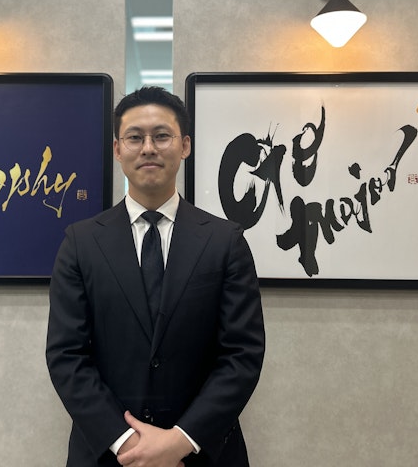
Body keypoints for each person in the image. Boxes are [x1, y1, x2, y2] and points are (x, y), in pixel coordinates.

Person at [46, 86, 265, 467]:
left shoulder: (225, 241)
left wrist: (179, 441)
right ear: (118, 150)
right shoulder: (80, 243)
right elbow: (66, 356)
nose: (148, 148)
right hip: (108, 455)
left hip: (202, 454)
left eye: (162, 136)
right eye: (135, 137)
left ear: (185, 146)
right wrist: (127, 443)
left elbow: (242, 355)